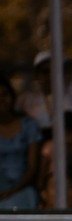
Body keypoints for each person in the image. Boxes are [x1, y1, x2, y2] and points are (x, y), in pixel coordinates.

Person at [17, 50, 72, 130]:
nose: (51, 75)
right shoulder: (27, 101)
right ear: (37, 75)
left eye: (55, 70)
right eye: (45, 71)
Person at [0, 79, 41, 210]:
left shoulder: (29, 125)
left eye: (5, 94)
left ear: (12, 97)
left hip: (22, 187)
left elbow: (32, 167)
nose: (2, 100)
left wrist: (12, 191)